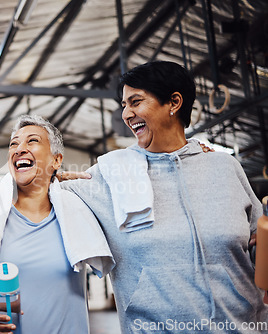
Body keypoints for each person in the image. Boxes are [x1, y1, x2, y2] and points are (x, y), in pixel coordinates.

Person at [60, 61, 268, 333]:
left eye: (135, 102)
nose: (126, 114)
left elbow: (257, 241)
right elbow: (30, 193)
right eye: (123, 105)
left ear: (174, 102)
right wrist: (49, 177)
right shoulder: (108, 175)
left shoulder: (225, 167)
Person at [0, 115, 114, 334]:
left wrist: (55, 178)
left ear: (56, 160)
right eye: (13, 144)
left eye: (32, 141)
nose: (19, 149)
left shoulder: (79, 210)